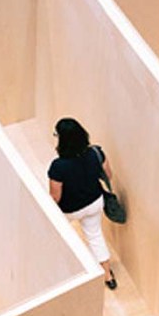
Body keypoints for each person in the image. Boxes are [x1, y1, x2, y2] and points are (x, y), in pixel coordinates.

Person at [48, 117, 117, 289]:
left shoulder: (58, 166)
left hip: (70, 210)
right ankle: (107, 275)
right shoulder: (96, 152)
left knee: (60, 238)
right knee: (95, 236)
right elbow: (108, 175)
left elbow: (55, 197)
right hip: (94, 202)